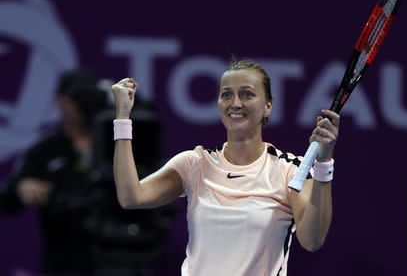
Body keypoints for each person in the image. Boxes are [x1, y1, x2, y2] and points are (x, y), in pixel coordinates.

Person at [111, 59, 340, 275]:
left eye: (247, 94)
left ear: (268, 106)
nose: (236, 103)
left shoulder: (289, 170)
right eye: (226, 95)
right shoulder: (195, 163)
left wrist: (323, 162)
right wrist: (122, 118)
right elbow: (131, 196)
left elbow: (312, 240)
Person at [0, 70, 107, 275]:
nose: (83, 105)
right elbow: (7, 201)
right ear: (61, 101)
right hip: (63, 260)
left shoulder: (118, 146)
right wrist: (20, 188)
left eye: (87, 97)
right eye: (77, 98)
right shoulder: (44, 151)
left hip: (112, 257)